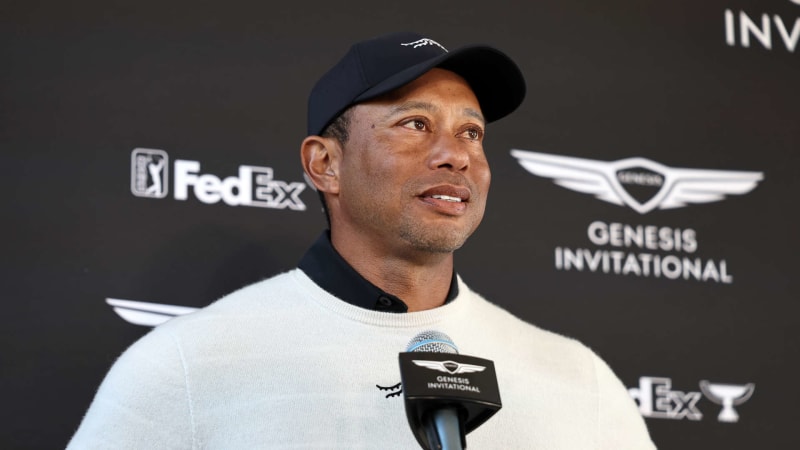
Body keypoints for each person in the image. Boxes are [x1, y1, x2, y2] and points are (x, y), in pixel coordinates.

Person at [68, 31, 655, 449]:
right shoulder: (186, 367)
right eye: (415, 124)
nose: (456, 155)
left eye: (471, 132)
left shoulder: (579, 379)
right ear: (325, 164)